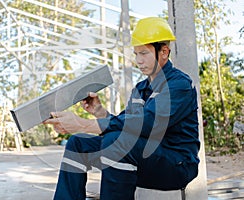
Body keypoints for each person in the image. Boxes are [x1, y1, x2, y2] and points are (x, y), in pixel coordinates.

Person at [44, 17, 200, 200]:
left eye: (144, 53)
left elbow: (146, 124)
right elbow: (126, 124)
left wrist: (82, 123)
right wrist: (99, 112)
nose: (138, 61)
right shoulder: (140, 89)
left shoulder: (179, 84)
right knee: (77, 144)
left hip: (177, 164)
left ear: (164, 52)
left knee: (116, 141)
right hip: (145, 158)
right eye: (136, 54)